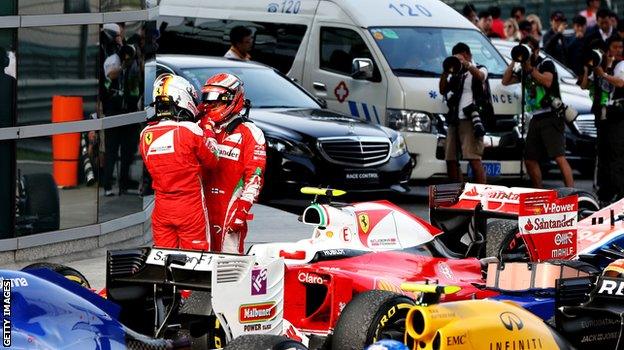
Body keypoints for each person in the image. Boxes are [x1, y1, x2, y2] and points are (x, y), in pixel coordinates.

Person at [140, 74, 219, 249]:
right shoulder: (191, 130)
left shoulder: (145, 133)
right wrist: (208, 130)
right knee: (196, 261)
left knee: (164, 259)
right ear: (182, 97)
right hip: (190, 206)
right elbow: (213, 161)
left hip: (161, 207)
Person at [198, 73, 266, 254]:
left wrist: (243, 210)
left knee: (229, 265)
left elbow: (255, 175)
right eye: (208, 100)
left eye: (216, 101)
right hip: (198, 209)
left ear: (232, 99)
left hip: (230, 209)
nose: (210, 106)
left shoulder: (251, 132)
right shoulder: (197, 127)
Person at [502, 36, 574, 188]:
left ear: (536, 50)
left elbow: (547, 81)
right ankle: (539, 192)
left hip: (551, 115)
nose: (526, 53)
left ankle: (573, 193)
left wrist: (530, 70)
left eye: (528, 49)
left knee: (559, 156)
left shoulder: (545, 63)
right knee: (529, 158)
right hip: (536, 116)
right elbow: (506, 81)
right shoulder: (523, 67)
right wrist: (515, 60)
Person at [579, 35, 624, 203]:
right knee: (603, 155)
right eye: (614, 47)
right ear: (607, 50)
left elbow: (620, 83)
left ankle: (619, 192)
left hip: (617, 117)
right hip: (603, 117)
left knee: (616, 155)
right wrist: (587, 68)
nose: (618, 51)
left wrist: (603, 74)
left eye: (620, 47)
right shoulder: (601, 65)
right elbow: (584, 85)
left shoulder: (621, 65)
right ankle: (605, 191)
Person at [439, 43, 489, 184]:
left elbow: (480, 76)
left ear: (467, 54)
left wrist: (467, 65)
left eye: (459, 57)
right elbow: (443, 90)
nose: (457, 61)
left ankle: (480, 196)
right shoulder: (456, 73)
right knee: (451, 159)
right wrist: (445, 72)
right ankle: (457, 194)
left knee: (473, 158)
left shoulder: (480, 68)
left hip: (471, 119)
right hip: (454, 118)